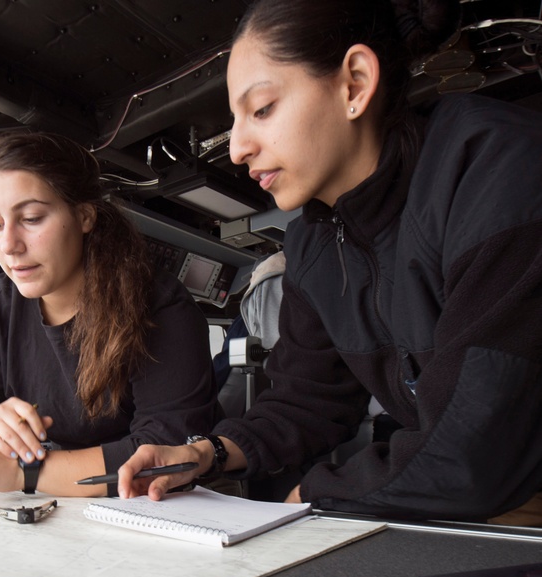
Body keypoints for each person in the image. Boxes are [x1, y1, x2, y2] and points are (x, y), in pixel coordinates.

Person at [118, 0, 542, 523]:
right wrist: (208, 454)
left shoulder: (498, 171)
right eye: (235, 119)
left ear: (355, 84)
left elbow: (477, 453)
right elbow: (308, 401)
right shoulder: (314, 246)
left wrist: (315, 498)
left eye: (262, 109)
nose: (237, 148)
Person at [0, 131, 221, 496]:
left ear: (85, 216)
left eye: (32, 218)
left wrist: (25, 474)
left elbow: (166, 452)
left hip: (145, 509)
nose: (8, 245)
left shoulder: (160, 305)